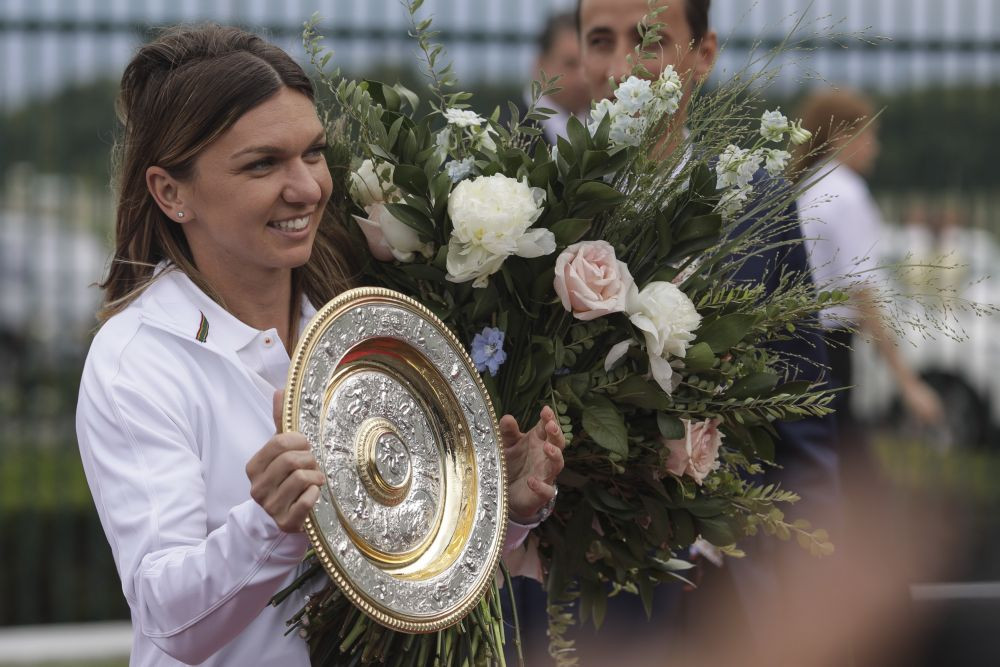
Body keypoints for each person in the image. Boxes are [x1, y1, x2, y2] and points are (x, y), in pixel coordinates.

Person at [76, 24, 565, 667]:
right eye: (262, 163)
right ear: (171, 193)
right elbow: (168, 618)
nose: (307, 187)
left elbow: (410, 572)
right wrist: (269, 525)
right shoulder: (139, 360)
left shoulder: (362, 320)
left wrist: (504, 510)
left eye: (312, 153)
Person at [510, 2, 840, 664]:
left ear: (704, 54)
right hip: (581, 610)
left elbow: (802, 423)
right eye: (600, 40)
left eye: (651, 40)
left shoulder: (758, 205)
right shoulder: (538, 198)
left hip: (730, 605)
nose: (623, 66)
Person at [795, 88, 945, 434]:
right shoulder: (847, 193)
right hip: (830, 351)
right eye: (869, 135)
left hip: (800, 343)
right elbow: (862, 292)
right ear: (840, 137)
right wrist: (908, 383)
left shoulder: (810, 185)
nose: (875, 147)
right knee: (839, 457)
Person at [527, 11, 592, 145]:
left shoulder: (610, 131)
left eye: (588, 65)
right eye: (570, 64)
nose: (582, 77)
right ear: (540, 64)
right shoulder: (508, 136)